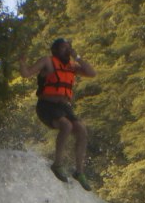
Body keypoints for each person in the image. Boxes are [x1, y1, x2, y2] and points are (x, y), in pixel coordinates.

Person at [18, 38, 96, 190]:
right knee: (66, 125)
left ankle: (79, 172)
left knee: (81, 130)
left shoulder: (72, 66)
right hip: (46, 105)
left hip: (63, 106)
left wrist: (77, 57)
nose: (66, 50)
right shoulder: (47, 61)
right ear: (55, 50)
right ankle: (57, 164)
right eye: (63, 48)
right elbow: (26, 74)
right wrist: (21, 62)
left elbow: (92, 73)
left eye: (68, 48)